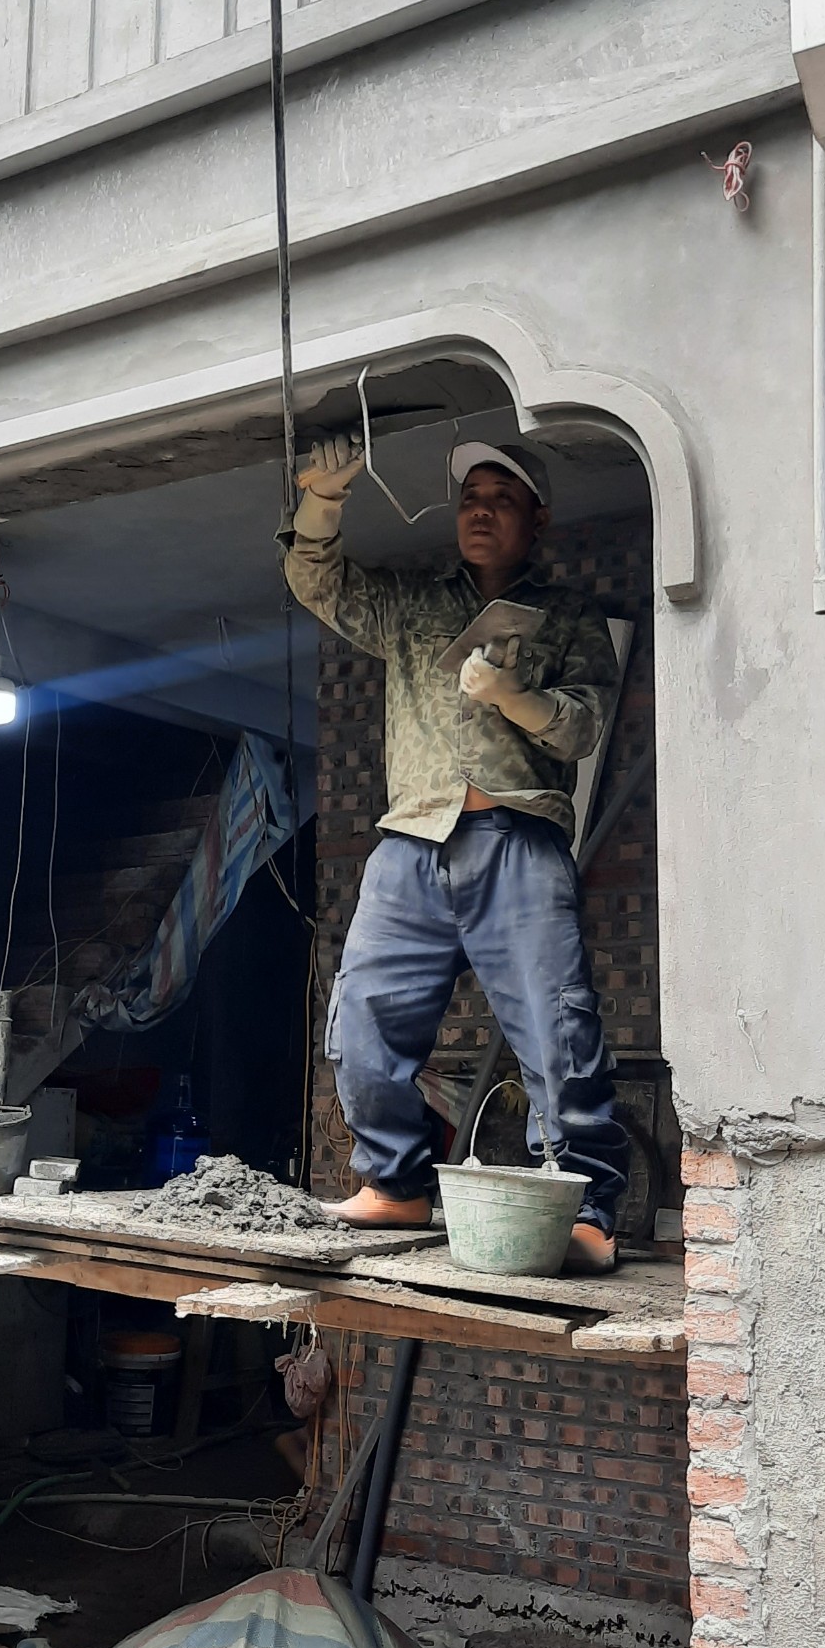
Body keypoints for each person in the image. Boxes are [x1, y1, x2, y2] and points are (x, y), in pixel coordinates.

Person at [282, 429, 634, 1273]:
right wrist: (321, 499)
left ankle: (586, 1209)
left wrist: (514, 696)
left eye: (502, 499)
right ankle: (395, 1183)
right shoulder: (412, 602)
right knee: (363, 1019)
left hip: (518, 840)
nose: (481, 511)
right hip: (411, 842)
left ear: (537, 519)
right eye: (471, 498)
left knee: (557, 1028)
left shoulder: (570, 616)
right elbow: (320, 583)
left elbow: (582, 728)